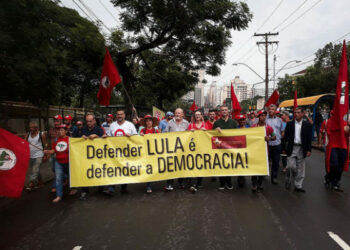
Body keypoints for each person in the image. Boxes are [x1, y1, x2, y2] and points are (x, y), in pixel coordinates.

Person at [106, 109, 138, 194]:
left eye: (121, 114)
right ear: (116, 116)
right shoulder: (112, 125)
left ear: (124, 115)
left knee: (125, 170)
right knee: (113, 170)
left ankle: (124, 187)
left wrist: (131, 136)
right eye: (118, 114)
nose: (119, 116)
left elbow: (136, 136)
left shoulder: (130, 125)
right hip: (114, 152)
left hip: (126, 152)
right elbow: (109, 137)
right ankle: (111, 189)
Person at [282, 107, 312, 193]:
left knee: (301, 168)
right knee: (290, 166)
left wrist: (309, 150)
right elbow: (285, 137)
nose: (296, 114)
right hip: (292, 147)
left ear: (303, 114)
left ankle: (298, 185)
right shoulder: (290, 124)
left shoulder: (307, 125)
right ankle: (288, 180)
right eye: (295, 112)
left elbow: (309, 138)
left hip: (302, 148)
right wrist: (283, 148)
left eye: (299, 112)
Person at [75, 114, 105, 200]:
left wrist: (97, 137)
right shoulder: (81, 129)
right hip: (85, 156)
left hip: (97, 156)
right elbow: (74, 140)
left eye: (90, 121)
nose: (88, 123)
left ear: (94, 121)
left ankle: (100, 187)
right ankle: (84, 191)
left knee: (98, 171)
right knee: (85, 173)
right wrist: (81, 138)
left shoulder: (99, 130)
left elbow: (105, 142)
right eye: (87, 121)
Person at [44, 124, 76, 202]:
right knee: (58, 179)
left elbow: (74, 151)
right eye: (59, 130)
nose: (60, 132)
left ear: (66, 131)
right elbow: (53, 150)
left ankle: (73, 188)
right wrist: (48, 152)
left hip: (68, 162)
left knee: (71, 176)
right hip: (58, 162)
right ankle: (59, 195)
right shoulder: (56, 140)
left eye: (62, 130)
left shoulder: (70, 139)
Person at [320, 111, 349, 191]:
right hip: (332, 146)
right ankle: (329, 177)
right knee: (334, 164)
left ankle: (336, 181)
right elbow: (327, 132)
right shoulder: (328, 122)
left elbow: (348, 135)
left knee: (340, 166)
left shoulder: (345, 123)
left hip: (343, 146)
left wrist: (348, 130)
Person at [163, 108, 189, 191]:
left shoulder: (186, 123)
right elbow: (165, 133)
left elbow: (190, 134)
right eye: (176, 113)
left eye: (179, 113)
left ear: (182, 115)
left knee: (181, 165)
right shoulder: (170, 123)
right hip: (171, 149)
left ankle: (181, 182)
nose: (177, 115)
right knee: (171, 166)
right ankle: (169, 183)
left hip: (182, 149)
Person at [213, 105, 238, 190]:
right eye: (222, 110)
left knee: (229, 165)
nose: (224, 111)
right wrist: (216, 130)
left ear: (228, 111)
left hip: (230, 147)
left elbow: (237, 135)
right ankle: (222, 183)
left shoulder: (233, 122)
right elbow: (212, 136)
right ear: (220, 112)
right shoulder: (216, 123)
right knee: (221, 165)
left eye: (225, 110)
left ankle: (229, 182)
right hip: (220, 148)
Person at [251, 110, 276, 192]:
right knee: (254, 168)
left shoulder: (268, 127)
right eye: (261, 115)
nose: (263, 117)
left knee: (262, 169)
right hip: (254, 152)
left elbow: (274, 136)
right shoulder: (253, 127)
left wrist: (270, 138)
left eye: (265, 115)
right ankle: (254, 184)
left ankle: (260, 183)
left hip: (264, 152)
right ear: (258, 117)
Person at [187, 110, 208, 192]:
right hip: (193, 148)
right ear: (194, 116)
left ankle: (199, 182)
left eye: (199, 114)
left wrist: (205, 131)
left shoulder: (205, 125)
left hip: (202, 148)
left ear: (201, 116)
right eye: (196, 115)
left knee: (201, 164)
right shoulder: (191, 125)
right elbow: (186, 136)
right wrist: (189, 132)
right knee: (193, 164)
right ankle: (193, 182)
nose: (198, 116)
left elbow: (209, 135)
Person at [139, 115, 160, 193]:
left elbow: (160, 140)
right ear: (145, 123)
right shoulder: (142, 131)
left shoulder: (156, 131)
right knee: (148, 168)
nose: (148, 122)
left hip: (154, 152)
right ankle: (149, 186)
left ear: (152, 122)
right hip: (145, 153)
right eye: (147, 121)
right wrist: (140, 136)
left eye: (150, 121)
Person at [25, 121, 47, 191]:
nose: (31, 129)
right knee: (36, 170)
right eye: (30, 127)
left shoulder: (41, 134)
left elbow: (45, 145)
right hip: (30, 155)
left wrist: (45, 155)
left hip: (39, 155)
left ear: (36, 128)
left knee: (34, 170)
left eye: (32, 128)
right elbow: (24, 143)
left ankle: (30, 184)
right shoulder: (28, 135)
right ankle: (40, 182)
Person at [266, 104, 285, 184]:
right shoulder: (265, 120)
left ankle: (274, 177)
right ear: (268, 110)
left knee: (276, 162)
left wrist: (280, 138)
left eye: (273, 109)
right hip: (266, 144)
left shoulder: (279, 120)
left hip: (277, 144)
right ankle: (263, 175)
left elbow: (282, 131)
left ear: (275, 110)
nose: (271, 111)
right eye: (270, 109)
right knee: (266, 161)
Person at [48, 115, 62, 193]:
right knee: (54, 169)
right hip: (52, 152)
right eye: (55, 121)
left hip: (61, 153)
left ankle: (55, 185)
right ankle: (64, 178)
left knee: (57, 171)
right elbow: (48, 140)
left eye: (57, 121)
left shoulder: (63, 129)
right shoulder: (50, 130)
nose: (56, 123)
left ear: (60, 121)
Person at [235, 114, 249, 187]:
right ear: (238, 121)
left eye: (243, 120)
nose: (242, 121)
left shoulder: (249, 128)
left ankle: (242, 177)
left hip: (246, 148)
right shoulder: (235, 129)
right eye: (241, 120)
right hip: (238, 148)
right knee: (239, 163)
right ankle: (240, 178)